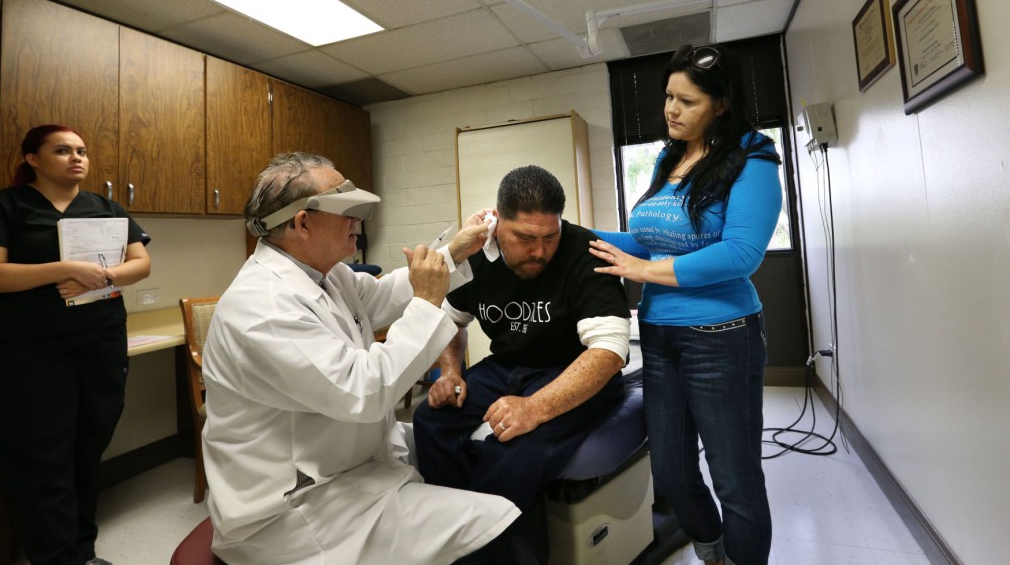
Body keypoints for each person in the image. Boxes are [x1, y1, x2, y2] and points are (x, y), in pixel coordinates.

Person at [200, 152, 520, 565]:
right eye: (348, 210)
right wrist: (427, 301)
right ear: (302, 222)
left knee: (467, 449)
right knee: (498, 523)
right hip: (297, 510)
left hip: (345, 461)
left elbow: (384, 296)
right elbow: (366, 391)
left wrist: (455, 253)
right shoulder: (263, 307)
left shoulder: (328, 273)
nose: (359, 221)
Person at [588, 44, 782, 565]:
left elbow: (741, 253)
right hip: (658, 333)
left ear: (720, 104)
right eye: (668, 97)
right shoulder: (670, 156)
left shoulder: (752, 157)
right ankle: (712, 549)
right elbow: (642, 241)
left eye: (687, 101)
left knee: (735, 478)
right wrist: (561, 233)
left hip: (723, 335)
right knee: (672, 472)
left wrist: (646, 273)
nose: (671, 110)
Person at [413, 165, 632, 515]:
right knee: (429, 420)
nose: (540, 251)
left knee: (513, 450)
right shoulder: (475, 254)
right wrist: (450, 372)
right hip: (507, 367)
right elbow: (451, 320)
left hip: (573, 369)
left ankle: (491, 548)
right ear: (497, 224)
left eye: (550, 237)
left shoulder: (584, 251)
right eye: (526, 239)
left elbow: (609, 352)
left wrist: (534, 408)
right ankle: (452, 523)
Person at [0, 124, 152, 565]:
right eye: (62, 150)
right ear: (33, 159)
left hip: (100, 342)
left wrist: (105, 275)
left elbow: (142, 262)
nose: (77, 157)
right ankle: (56, 557)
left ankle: (83, 549)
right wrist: (63, 268)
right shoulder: (5, 206)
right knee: (43, 455)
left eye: (81, 150)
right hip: (30, 350)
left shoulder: (106, 208)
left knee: (87, 446)